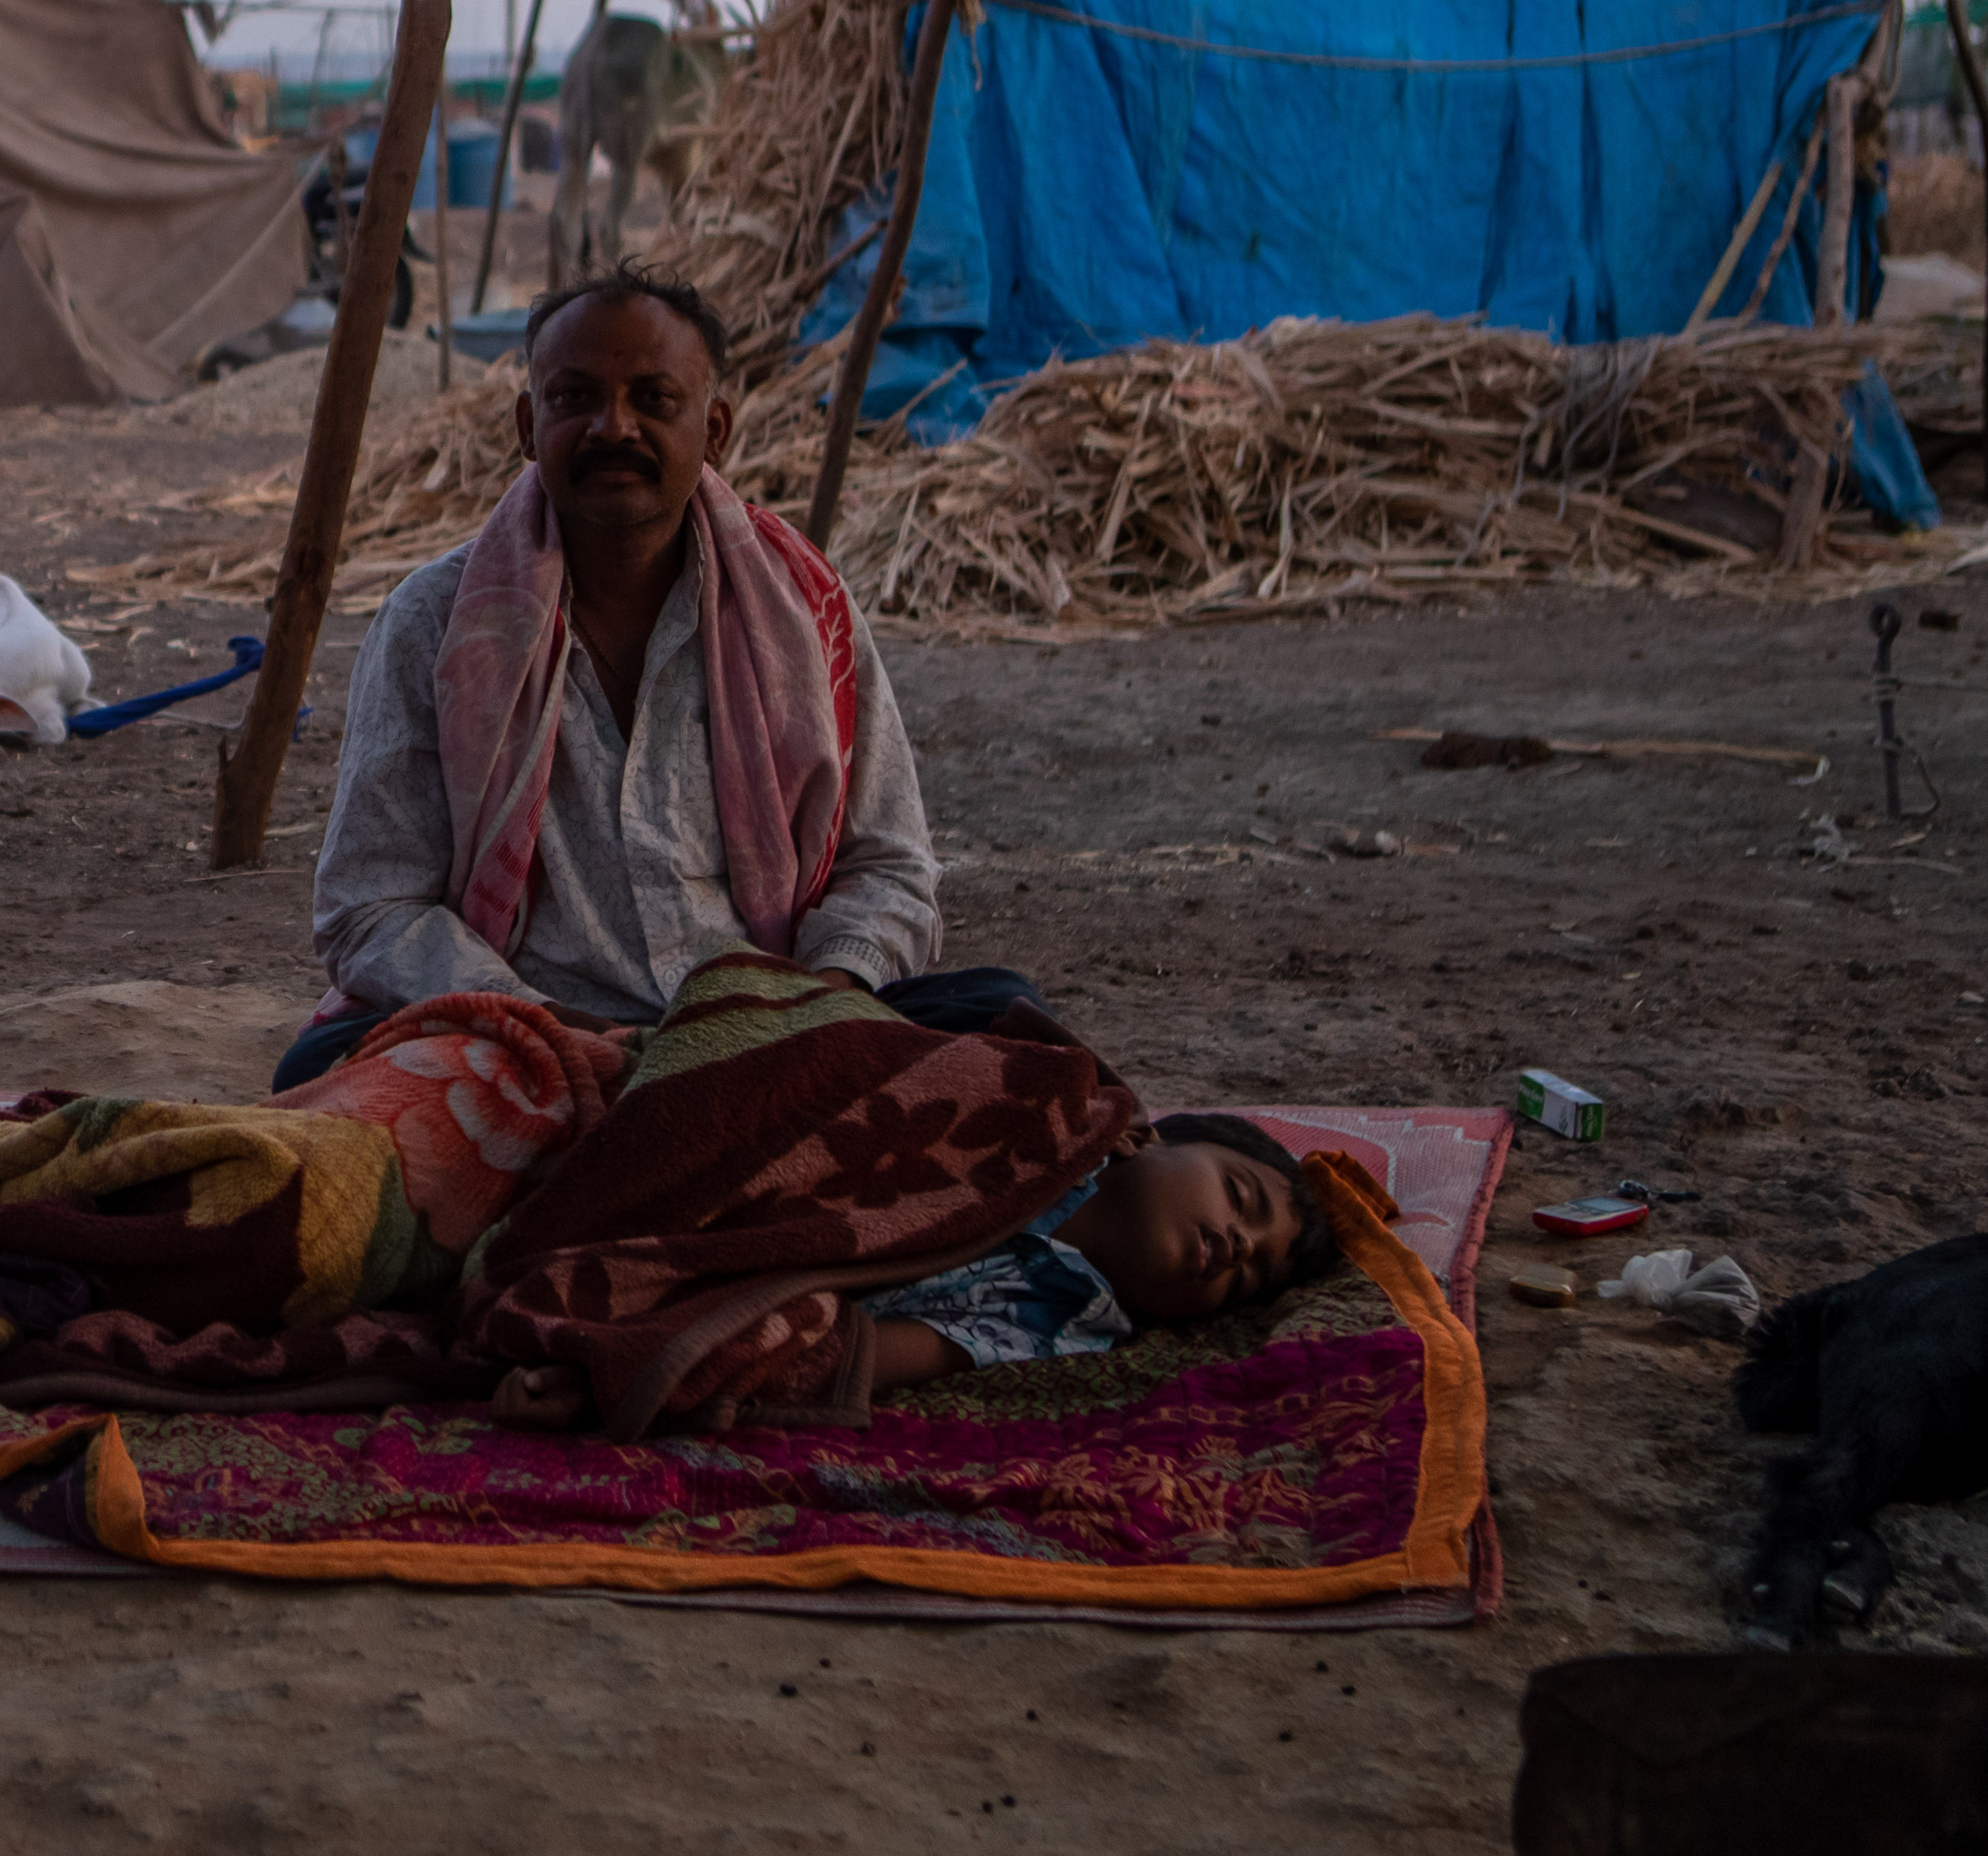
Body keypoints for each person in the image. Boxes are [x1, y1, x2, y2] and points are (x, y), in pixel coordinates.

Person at [289, 262, 1014, 1088]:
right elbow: (371, 905)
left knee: (998, 1011)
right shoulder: (435, 621)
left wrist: (819, 1000)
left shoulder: (804, 607)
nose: (613, 427)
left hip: (770, 1032)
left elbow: (888, 867)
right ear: (529, 425)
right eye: (575, 398)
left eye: (653, 400)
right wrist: (548, 1024)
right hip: (531, 1045)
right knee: (324, 1070)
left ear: (714, 431)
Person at [864, 1114, 1340, 1384]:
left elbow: (856, 1353)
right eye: (1238, 1195)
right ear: (1136, 1139)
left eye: (1245, 1281)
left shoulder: (1057, 1328)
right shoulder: (1038, 1118)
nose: (1242, 1245)